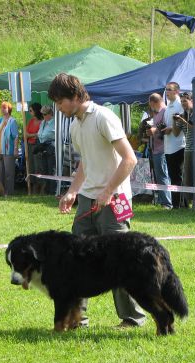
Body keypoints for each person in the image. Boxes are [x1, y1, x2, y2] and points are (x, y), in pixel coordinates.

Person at [48, 73, 146, 329]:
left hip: (113, 202)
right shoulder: (75, 124)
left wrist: (109, 192)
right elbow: (85, 163)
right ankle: (77, 319)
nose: (58, 107)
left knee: (121, 261)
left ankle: (132, 319)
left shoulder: (104, 117)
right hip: (87, 200)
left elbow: (129, 159)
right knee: (76, 261)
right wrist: (72, 191)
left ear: (75, 96)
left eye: (60, 101)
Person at [145, 93, 172, 209]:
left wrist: (155, 130)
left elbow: (168, 127)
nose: (151, 107)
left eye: (151, 105)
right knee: (160, 175)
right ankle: (162, 200)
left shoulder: (165, 111)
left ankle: (167, 202)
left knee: (163, 175)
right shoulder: (158, 114)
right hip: (156, 149)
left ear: (153, 102)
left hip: (162, 149)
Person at [163, 82, 187, 208]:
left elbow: (182, 125)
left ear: (176, 91)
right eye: (166, 89)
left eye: (169, 90)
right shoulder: (168, 106)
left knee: (178, 176)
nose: (167, 92)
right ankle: (176, 204)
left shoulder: (179, 105)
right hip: (168, 146)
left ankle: (181, 204)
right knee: (173, 176)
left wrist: (170, 129)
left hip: (178, 146)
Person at [0, 102, 19, 196]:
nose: (2, 109)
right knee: (0, 172)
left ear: (9, 109)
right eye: (2, 107)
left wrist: (15, 149)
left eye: (5, 108)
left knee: (9, 173)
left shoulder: (12, 121)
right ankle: (1, 191)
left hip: (9, 150)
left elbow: (16, 136)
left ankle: (9, 192)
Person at [34, 105, 56, 195]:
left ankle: (52, 191)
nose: (43, 116)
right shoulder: (43, 123)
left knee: (51, 169)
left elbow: (51, 135)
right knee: (44, 170)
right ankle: (46, 190)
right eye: (42, 114)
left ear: (50, 114)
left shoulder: (55, 122)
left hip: (51, 147)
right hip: (43, 147)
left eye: (45, 114)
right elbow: (40, 134)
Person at [25, 102, 43, 192]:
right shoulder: (31, 121)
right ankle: (33, 185)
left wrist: (31, 135)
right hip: (30, 145)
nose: (30, 112)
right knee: (31, 165)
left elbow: (40, 135)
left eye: (31, 110)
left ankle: (39, 186)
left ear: (36, 111)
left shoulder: (42, 122)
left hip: (37, 145)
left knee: (38, 166)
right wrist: (33, 135)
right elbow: (26, 134)